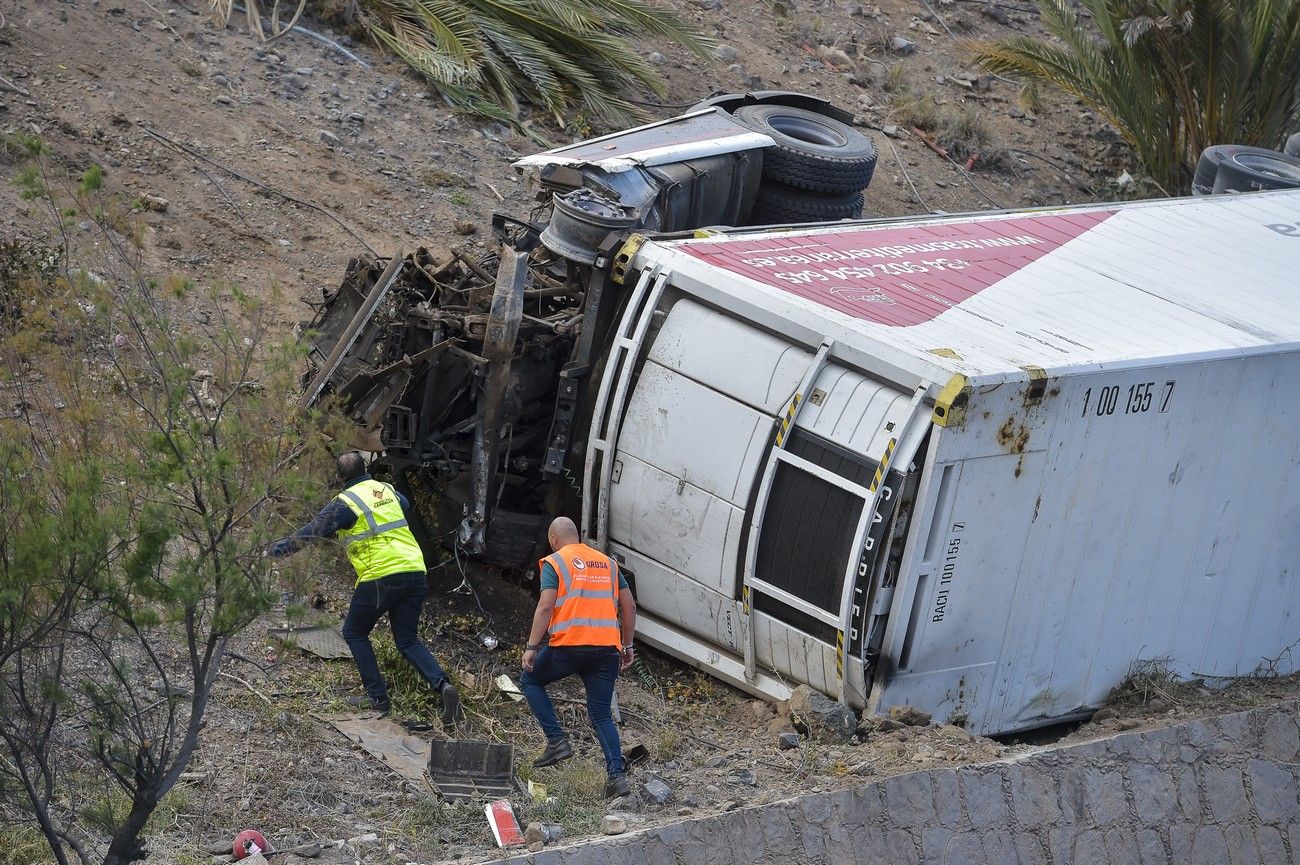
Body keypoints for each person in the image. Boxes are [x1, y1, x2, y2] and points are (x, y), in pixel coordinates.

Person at [269, 452, 461, 728]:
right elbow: (403, 504)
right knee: (407, 640)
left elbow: (312, 532)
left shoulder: (345, 503)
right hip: (414, 570)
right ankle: (442, 685)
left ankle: (378, 699)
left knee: (354, 633)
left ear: (339, 478)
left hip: (380, 574)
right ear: (367, 469)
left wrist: (273, 552)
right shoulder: (387, 490)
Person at [520, 517, 636, 799]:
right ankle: (616, 779)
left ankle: (557, 741)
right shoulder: (607, 563)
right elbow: (629, 605)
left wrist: (532, 646)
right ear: (577, 536)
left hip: (569, 647)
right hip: (606, 651)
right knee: (600, 715)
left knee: (530, 681)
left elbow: (546, 606)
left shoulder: (556, 562)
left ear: (553, 539)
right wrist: (627, 644)